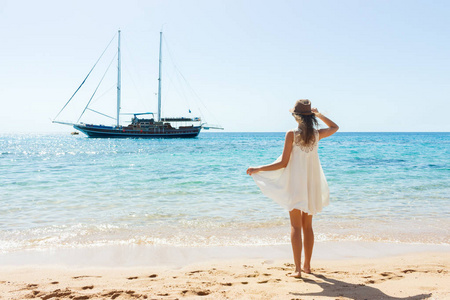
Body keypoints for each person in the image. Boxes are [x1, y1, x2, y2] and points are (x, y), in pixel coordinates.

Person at [246, 99, 339, 278]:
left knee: (295, 226)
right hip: (312, 184)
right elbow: (335, 127)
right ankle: (307, 266)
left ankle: (297, 270)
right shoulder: (317, 134)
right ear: (310, 117)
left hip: (296, 185)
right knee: (308, 226)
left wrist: (258, 169)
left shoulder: (292, 134)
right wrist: (319, 114)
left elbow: (283, 163)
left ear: (296, 117)